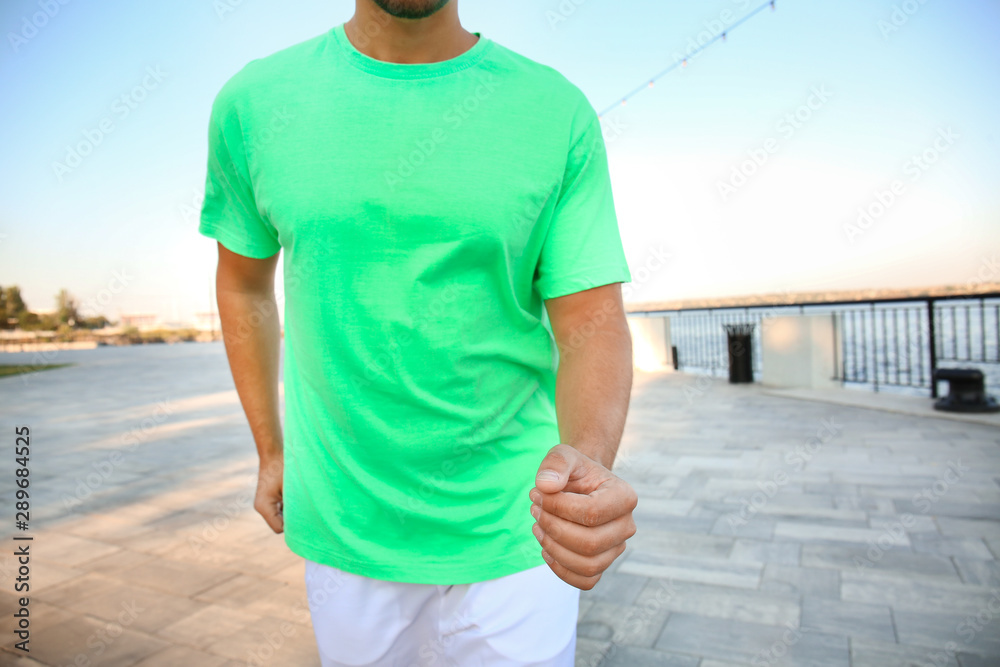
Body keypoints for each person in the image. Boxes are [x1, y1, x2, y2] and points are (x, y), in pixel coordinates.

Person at [198, 0, 637, 664]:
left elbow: (591, 317)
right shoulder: (254, 105)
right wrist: (271, 449)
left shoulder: (556, 110)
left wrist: (589, 463)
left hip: (521, 523)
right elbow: (242, 281)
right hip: (345, 523)